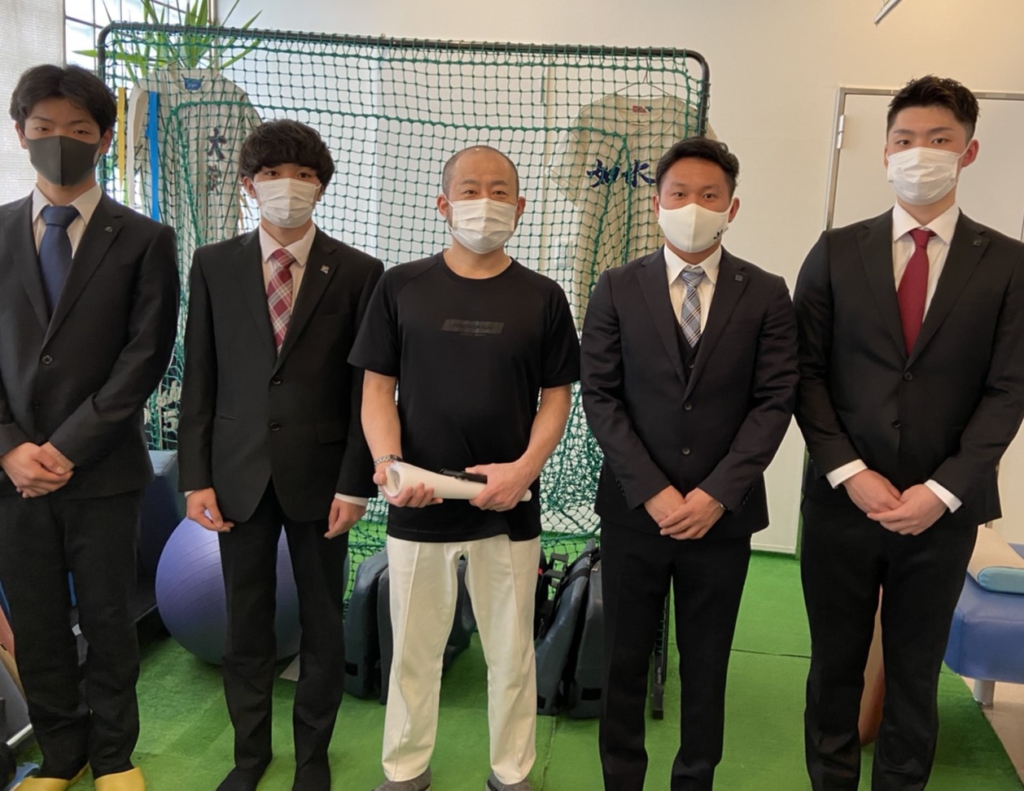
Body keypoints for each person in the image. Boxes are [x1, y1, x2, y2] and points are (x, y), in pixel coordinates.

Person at [794, 75, 1024, 790]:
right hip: (841, 502)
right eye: (904, 139)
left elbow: (1009, 389)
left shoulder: (1009, 263)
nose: (919, 152)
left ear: (968, 151)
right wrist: (849, 471)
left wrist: (943, 489)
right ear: (885, 152)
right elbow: (804, 374)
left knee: (916, 673)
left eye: (938, 139)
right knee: (834, 666)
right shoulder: (835, 251)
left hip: (942, 512)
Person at [349, 145, 580, 791]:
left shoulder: (544, 297)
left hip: (508, 504)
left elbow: (557, 397)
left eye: (500, 190)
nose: (486, 202)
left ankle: (512, 771)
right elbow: (377, 390)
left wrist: (523, 469)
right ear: (443, 204)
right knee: (413, 651)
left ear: (521, 206)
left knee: (511, 653)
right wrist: (389, 465)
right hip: (418, 502)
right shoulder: (401, 286)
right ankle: (405, 769)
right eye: (471, 189)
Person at [581, 137, 799, 791]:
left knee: (706, 663)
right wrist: (651, 490)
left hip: (721, 519)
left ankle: (695, 778)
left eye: (709, 195)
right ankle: (622, 776)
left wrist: (715, 494)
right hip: (634, 512)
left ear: (733, 206)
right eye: (679, 193)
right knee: (622, 657)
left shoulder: (766, 293)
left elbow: (774, 400)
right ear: (657, 203)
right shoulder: (617, 286)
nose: (693, 207)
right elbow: (601, 395)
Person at [177, 119, 383, 791]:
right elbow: (200, 377)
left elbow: (365, 390)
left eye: (302, 174)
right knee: (245, 622)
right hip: (236, 474)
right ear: (248, 185)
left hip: (322, 479)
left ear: (321, 186)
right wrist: (195, 478)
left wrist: (355, 483)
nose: (286, 186)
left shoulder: (358, 271)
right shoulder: (213, 264)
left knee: (323, 622)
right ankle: (250, 755)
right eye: (271, 174)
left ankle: (313, 757)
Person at [0, 65, 179, 791]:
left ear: (105, 139)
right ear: (20, 134)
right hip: (11, 477)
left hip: (103, 470)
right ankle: (60, 755)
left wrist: (67, 447)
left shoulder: (144, 239)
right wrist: (10, 447)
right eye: (43, 128)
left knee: (108, 618)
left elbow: (145, 357)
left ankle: (112, 756)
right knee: (37, 621)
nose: (60, 141)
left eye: (78, 129)